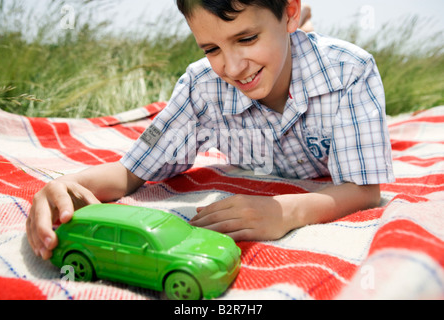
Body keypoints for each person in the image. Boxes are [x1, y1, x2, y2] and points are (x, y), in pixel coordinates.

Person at [27, 0, 394, 260]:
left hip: (305, 44)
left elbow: (364, 190)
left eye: (246, 38)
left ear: (288, 10)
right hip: (284, 35)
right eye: (211, 48)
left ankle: (304, 27)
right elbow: (130, 170)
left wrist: (285, 212)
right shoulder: (200, 86)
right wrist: (68, 184)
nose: (233, 67)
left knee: (298, 44)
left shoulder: (350, 71)